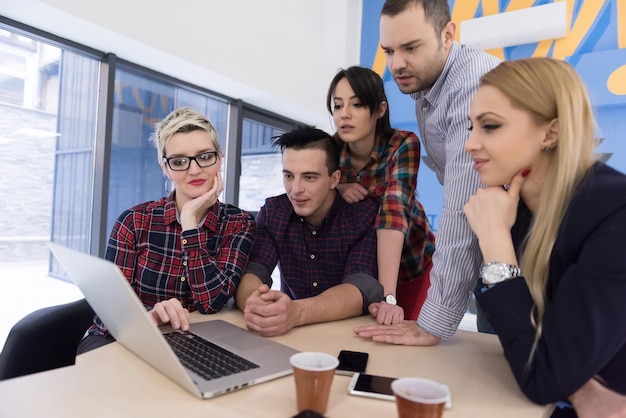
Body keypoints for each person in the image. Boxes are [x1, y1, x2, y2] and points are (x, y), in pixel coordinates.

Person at [358, 57, 626, 417]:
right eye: (471, 127)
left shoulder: (615, 213)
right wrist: (577, 383)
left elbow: (544, 377)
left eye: (490, 126)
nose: (470, 144)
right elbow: (536, 352)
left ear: (551, 132)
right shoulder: (517, 208)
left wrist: (496, 243)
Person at [77, 107, 256, 353]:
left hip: (195, 346)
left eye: (205, 157)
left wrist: (190, 223)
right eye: (179, 161)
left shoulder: (239, 223)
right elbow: (111, 311)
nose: (194, 170)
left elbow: (212, 301)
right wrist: (151, 315)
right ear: (165, 167)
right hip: (123, 341)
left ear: (220, 158)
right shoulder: (134, 221)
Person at [378, 0, 502, 341]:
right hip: (493, 247)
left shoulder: (471, 85)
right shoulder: (427, 85)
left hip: (525, 253)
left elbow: (463, 209)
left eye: (411, 47)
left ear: (448, 34)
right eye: (388, 51)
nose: (396, 64)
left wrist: (431, 323)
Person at [235, 127, 383, 337]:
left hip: (350, 336)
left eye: (309, 177)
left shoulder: (362, 216)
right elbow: (252, 272)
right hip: (292, 337)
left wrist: (297, 312)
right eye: (288, 175)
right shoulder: (274, 212)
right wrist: (254, 304)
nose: (295, 189)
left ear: (334, 179)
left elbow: (359, 289)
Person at [326, 65, 435, 324]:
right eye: (338, 106)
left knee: (402, 336)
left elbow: (393, 211)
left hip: (413, 262)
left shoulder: (403, 144)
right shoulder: (330, 151)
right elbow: (313, 189)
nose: (345, 115)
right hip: (362, 269)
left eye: (358, 105)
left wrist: (387, 297)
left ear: (380, 110)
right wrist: (337, 185)